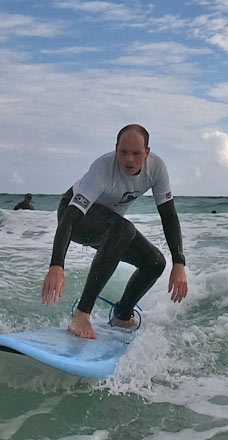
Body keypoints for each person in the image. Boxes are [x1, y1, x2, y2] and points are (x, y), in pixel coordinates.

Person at [41, 124, 188, 339]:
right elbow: (70, 216)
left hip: (113, 227)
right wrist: (56, 264)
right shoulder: (102, 168)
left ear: (147, 153)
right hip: (76, 219)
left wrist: (179, 262)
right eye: (123, 152)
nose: (129, 160)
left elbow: (168, 215)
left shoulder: (156, 169)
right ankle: (82, 314)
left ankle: (122, 313)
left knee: (155, 262)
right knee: (123, 228)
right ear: (116, 148)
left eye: (136, 153)